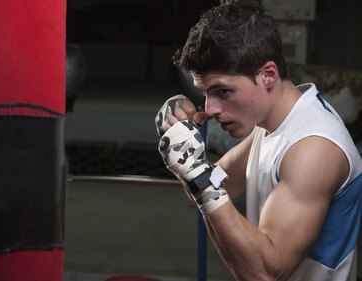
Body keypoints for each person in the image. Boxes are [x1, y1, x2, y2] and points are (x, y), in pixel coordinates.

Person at [154, 0, 362, 280]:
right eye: (205, 93)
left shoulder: (312, 147)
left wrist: (199, 177)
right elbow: (215, 186)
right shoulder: (272, 123)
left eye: (223, 92)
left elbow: (265, 274)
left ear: (268, 75)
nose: (211, 108)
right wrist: (184, 141)